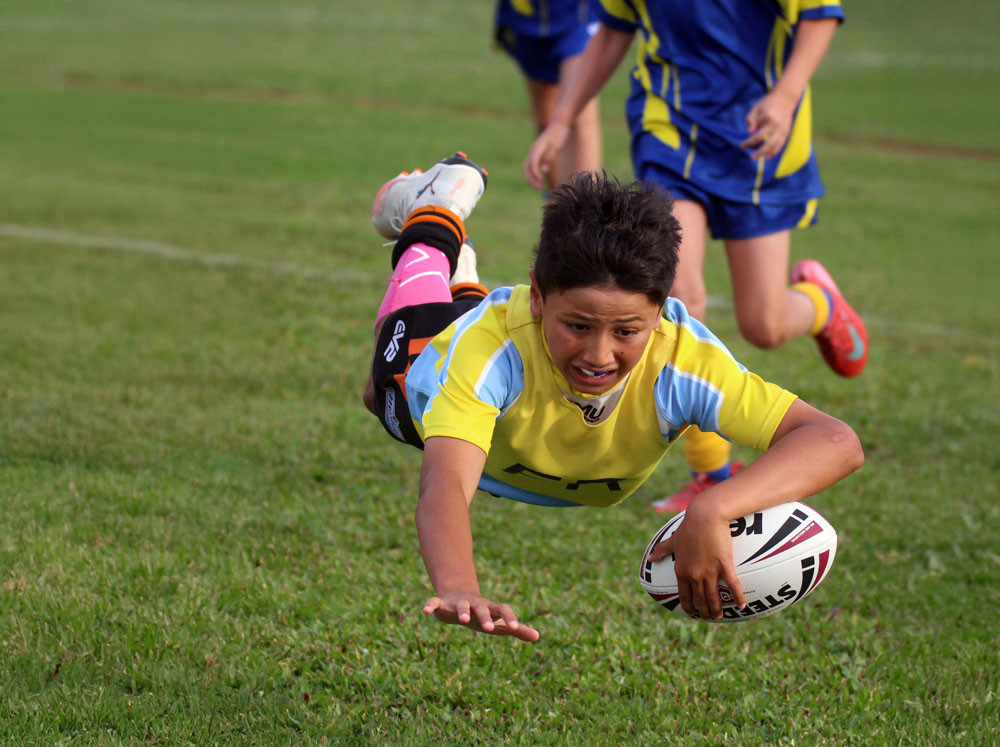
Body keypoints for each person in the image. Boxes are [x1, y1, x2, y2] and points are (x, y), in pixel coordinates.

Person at [362, 152, 864, 643]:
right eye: (578, 326)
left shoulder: (680, 360)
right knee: (386, 391)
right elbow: (446, 482)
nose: (599, 355)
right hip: (429, 377)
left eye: (627, 330)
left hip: (505, 388)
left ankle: (463, 268)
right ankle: (435, 214)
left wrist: (714, 507)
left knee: (472, 332)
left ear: (662, 310)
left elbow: (834, 441)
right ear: (537, 295)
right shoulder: (492, 350)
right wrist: (458, 587)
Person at [522, 0, 869, 516]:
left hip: (762, 141)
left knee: (765, 324)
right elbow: (614, 30)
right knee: (680, 293)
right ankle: (711, 471)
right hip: (671, 131)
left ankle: (819, 304)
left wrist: (785, 95)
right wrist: (561, 121)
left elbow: (820, 14)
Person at [494, 0, 603, 191]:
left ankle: (588, 215)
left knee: (576, 112)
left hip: (579, 13)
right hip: (527, 12)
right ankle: (558, 207)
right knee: (547, 123)